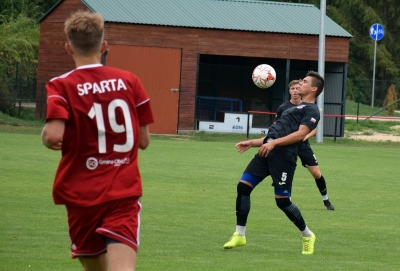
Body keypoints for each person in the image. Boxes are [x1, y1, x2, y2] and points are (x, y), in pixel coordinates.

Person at [41, 10, 154, 271]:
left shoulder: (61, 85)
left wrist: (47, 137)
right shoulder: (129, 81)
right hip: (122, 192)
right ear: (104, 46)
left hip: (80, 195)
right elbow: (144, 141)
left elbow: (54, 135)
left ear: (68, 48)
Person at [223, 71, 324, 255]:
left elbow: (301, 135)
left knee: (283, 202)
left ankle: (307, 235)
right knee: (243, 187)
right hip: (266, 151)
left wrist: (274, 144)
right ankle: (240, 234)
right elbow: (274, 135)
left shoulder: (312, 110)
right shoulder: (288, 108)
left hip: (284, 158)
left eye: (305, 82)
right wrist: (252, 143)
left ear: (314, 88)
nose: (300, 84)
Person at [275, 80, 334, 210]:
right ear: (289, 91)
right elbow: (277, 126)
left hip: (303, 145)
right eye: (293, 89)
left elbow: (313, 128)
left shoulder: (307, 107)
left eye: (298, 88)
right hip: (288, 146)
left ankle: (326, 200)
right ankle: (287, 201)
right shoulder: (283, 108)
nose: (295, 91)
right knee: (288, 173)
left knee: (316, 173)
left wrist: (304, 136)